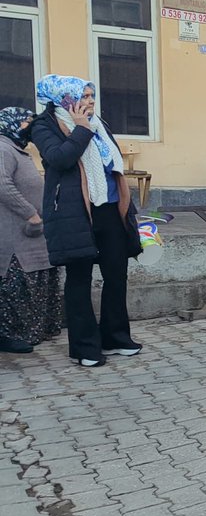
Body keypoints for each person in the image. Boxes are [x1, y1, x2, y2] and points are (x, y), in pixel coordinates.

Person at [28, 75, 142, 368]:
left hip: (110, 208)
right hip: (74, 212)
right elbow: (60, 159)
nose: (91, 101)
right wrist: (81, 129)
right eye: (85, 96)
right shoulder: (45, 125)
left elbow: (111, 165)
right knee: (79, 280)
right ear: (65, 98)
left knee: (117, 274)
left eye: (92, 95)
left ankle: (115, 338)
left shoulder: (99, 122)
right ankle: (84, 347)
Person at [0, 107, 63, 354]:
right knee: (15, 285)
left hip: (32, 235)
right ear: (11, 123)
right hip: (16, 235)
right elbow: (2, 185)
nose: (30, 127)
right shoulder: (3, 147)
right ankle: (8, 336)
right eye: (27, 122)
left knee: (34, 283)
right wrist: (31, 213)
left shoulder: (16, 149)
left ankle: (33, 331)